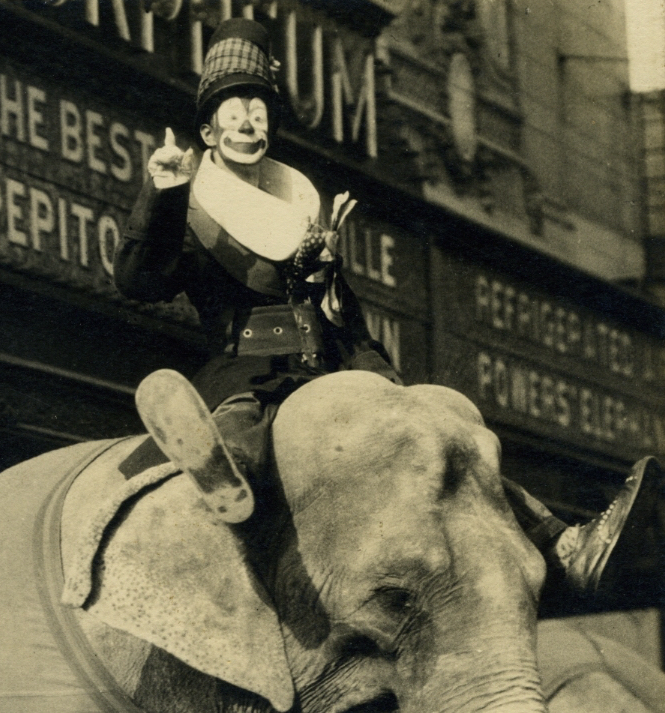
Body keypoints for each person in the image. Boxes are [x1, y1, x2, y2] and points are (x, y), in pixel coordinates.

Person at [114, 17, 659, 595]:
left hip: (328, 371)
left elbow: (347, 326)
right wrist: (161, 194)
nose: (248, 121)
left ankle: (565, 545)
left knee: (447, 432)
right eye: (233, 110)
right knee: (240, 431)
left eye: (259, 109)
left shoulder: (299, 204)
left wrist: (379, 367)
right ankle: (218, 480)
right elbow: (139, 281)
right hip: (248, 370)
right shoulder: (189, 205)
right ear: (207, 128)